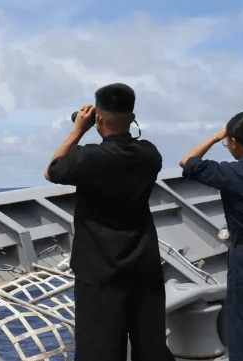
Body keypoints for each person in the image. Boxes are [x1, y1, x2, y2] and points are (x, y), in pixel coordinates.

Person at [45, 83, 175, 361]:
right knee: (151, 348)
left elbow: (52, 170)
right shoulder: (150, 154)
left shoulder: (88, 158)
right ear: (132, 117)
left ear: (99, 118)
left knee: (99, 352)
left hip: (99, 271)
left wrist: (78, 130)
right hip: (144, 266)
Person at [179, 111, 243, 361]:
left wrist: (215, 137)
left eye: (228, 142)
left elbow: (187, 161)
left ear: (234, 142)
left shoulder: (232, 174)